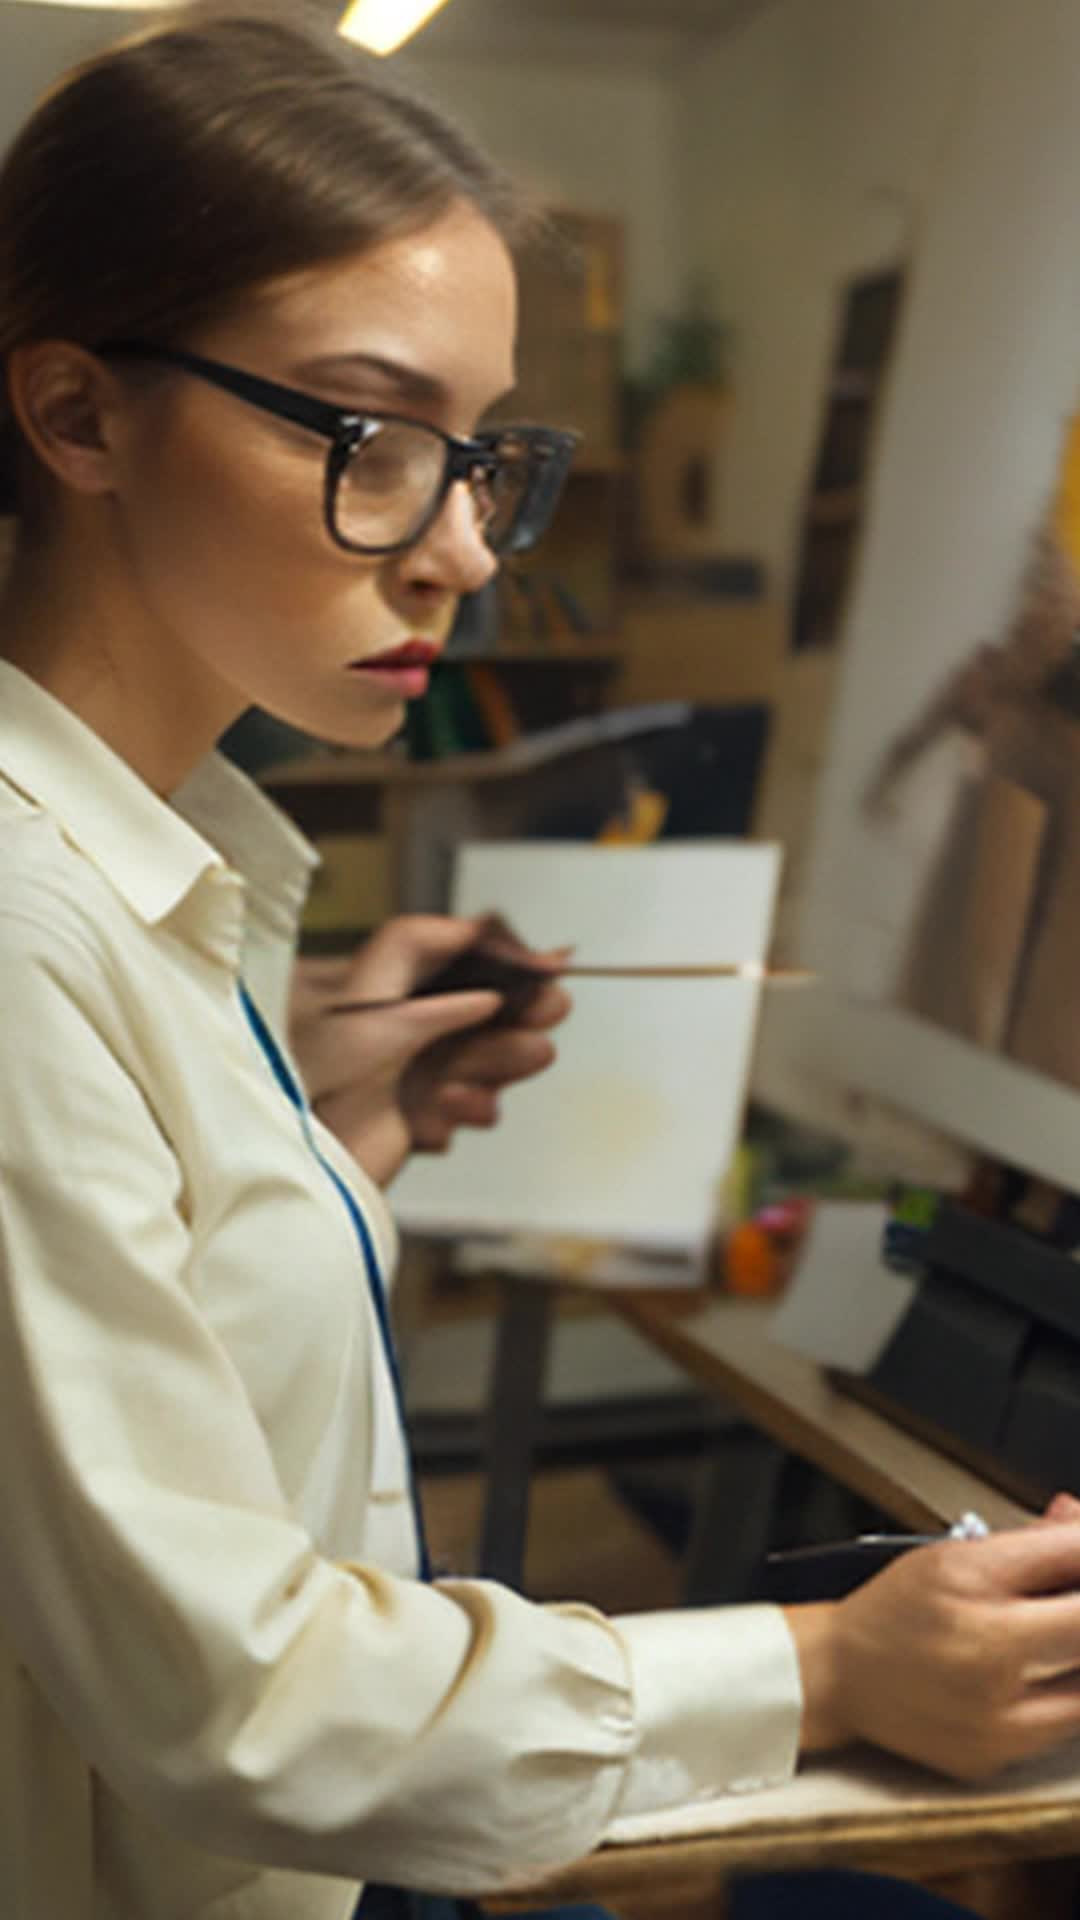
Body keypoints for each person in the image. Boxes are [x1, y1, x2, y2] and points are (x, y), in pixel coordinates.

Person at [5, 10, 1080, 1920]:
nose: (465, 554)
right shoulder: (28, 933)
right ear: (80, 415)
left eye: (485, 459)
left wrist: (336, 1153)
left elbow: (156, 1375)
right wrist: (830, 1666)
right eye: (370, 439)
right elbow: (229, 1693)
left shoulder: (163, 886)